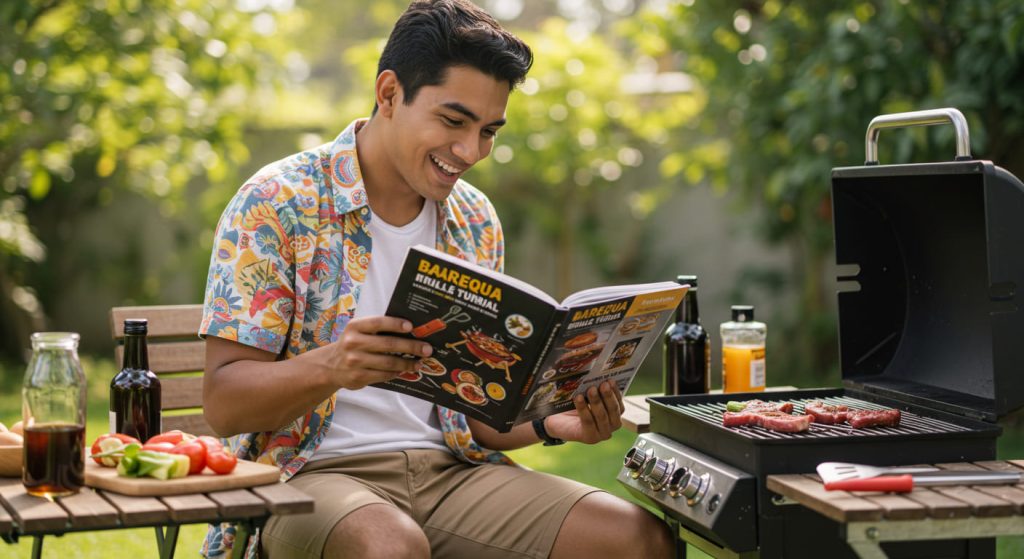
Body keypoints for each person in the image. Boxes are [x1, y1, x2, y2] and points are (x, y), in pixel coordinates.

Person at [199, 1, 674, 558]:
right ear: (389, 94)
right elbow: (224, 403)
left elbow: (479, 421)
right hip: (308, 477)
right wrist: (334, 365)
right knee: (389, 546)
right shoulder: (278, 202)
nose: (470, 152)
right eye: (453, 121)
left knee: (638, 539)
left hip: (454, 472)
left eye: (488, 131)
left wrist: (555, 425)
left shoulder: (473, 219)